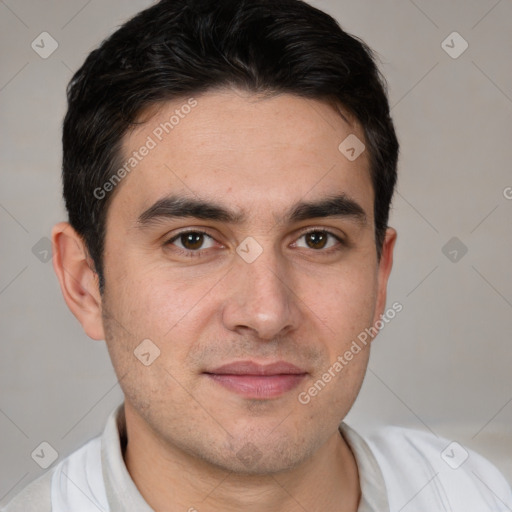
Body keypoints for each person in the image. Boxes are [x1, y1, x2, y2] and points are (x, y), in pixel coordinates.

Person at [3, 0, 511, 510]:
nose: (266, 314)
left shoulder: (476, 494)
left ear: (380, 278)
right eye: (192, 240)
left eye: (317, 239)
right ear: (85, 281)